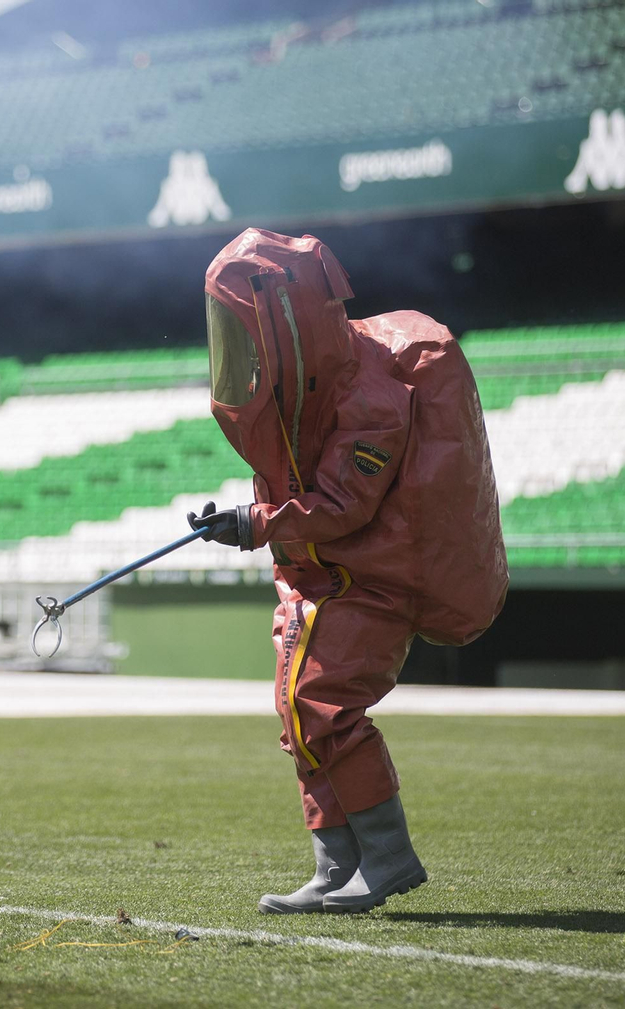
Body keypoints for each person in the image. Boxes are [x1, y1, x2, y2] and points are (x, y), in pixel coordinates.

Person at [188, 228, 507, 914]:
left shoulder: (373, 393)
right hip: (320, 572)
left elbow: (343, 503)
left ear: (285, 321)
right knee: (299, 710)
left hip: (371, 575)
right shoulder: (300, 389)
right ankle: (336, 865)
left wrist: (254, 523)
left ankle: (387, 858)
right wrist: (257, 523)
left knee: (322, 704)